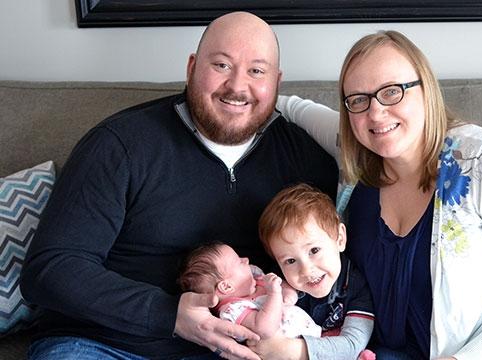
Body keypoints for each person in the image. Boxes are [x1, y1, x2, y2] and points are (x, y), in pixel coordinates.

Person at [20, 11, 338, 360]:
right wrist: (169, 315)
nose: (236, 85)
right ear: (191, 68)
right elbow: (50, 269)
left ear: (276, 82)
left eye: (257, 71)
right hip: (103, 344)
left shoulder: (304, 159)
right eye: (221, 65)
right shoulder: (120, 145)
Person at [273, 31, 482, 359]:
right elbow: (294, 107)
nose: (375, 113)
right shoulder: (358, 154)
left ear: (425, 89)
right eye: (359, 100)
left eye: (392, 92)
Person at [256, 183, 375, 360]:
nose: (306, 270)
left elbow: (353, 344)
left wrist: (292, 350)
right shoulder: (277, 285)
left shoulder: (355, 286)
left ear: (340, 239)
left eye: (314, 250)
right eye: (290, 261)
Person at [178, 242, 322, 339]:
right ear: (226, 287)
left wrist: (288, 293)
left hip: (311, 338)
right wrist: (274, 294)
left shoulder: (254, 279)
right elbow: (265, 329)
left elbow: (282, 285)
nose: (246, 259)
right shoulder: (233, 310)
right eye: (239, 262)